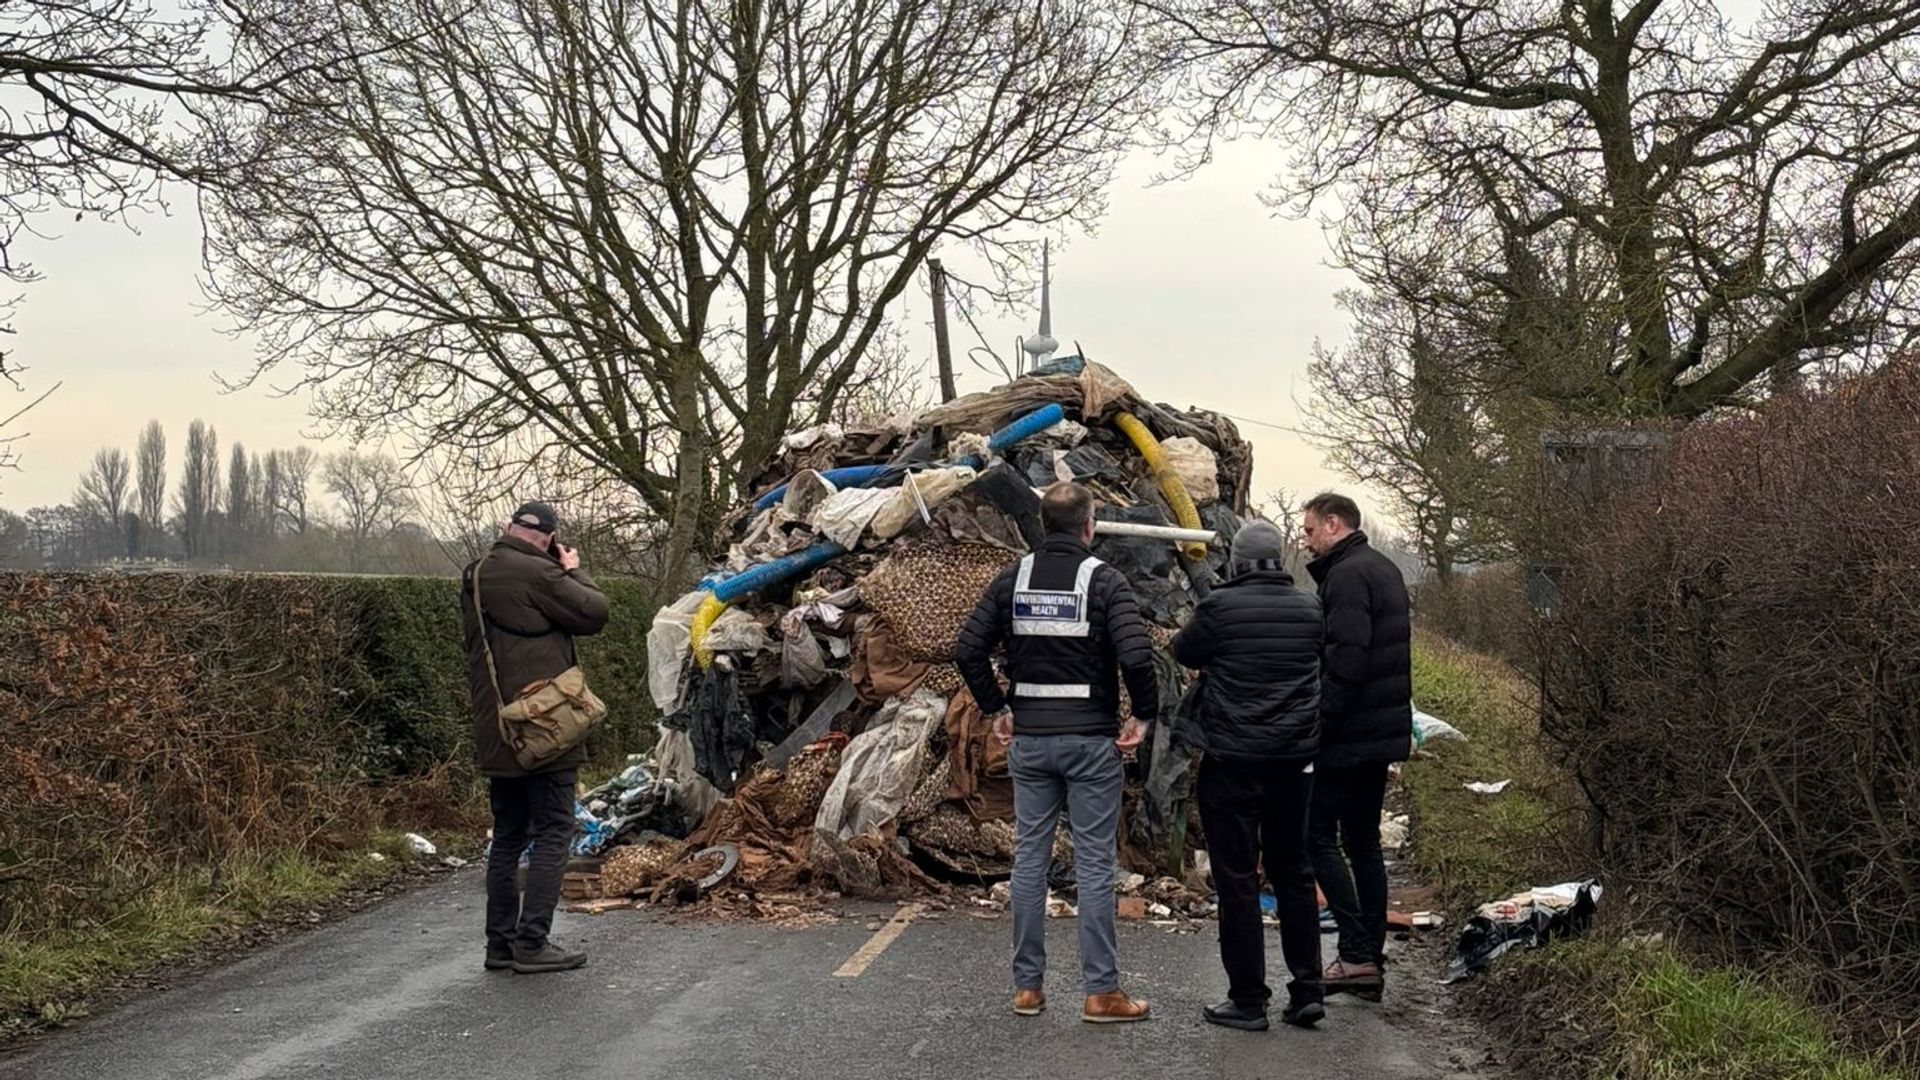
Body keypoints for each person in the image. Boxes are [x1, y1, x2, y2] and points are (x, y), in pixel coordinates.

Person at [955, 481, 1159, 1024]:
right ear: (1089, 526)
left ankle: (1027, 989)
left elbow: (967, 649)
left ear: (1043, 525)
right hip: (1092, 743)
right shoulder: (1106, 581)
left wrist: (997, 705)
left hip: (1030, 743)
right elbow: (1138, 657)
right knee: (1094, 864)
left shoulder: (1012, 580)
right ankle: (1101, 994)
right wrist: (1142, 714)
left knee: (1029, 861)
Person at [1170, 519, 1327, 1031]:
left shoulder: (1219, 608)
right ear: (1278, 561)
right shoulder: (1310, 608)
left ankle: (1247, 999)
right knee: (1294, 873)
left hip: (1232, 763)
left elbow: (1184, 651)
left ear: (1236, 561)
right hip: (1293, 763)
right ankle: (1308, 991)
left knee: (1237, 879)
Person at [461, 500, 610, 975]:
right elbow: (594, 613)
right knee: (553, 829)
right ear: (547, 538)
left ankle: (499, 945)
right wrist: (572, 571)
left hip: (498, 725)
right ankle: (533, 942)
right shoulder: (540, 574)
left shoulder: (477, 572)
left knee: (508, 835)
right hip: (544, 726)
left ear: (508, 528)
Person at [1300, 493, 1411, 1000]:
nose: (1305, 540)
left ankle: (1355, 952)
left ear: (1334, 524)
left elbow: (1346, 659)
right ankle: (1369, 951)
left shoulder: (1346, 576)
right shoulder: (1381, 567)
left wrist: (1317, 725)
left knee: (1317, 837)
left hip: (1348, 733)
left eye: (1308, 531)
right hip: (1380, 731)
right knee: (1363, 840)